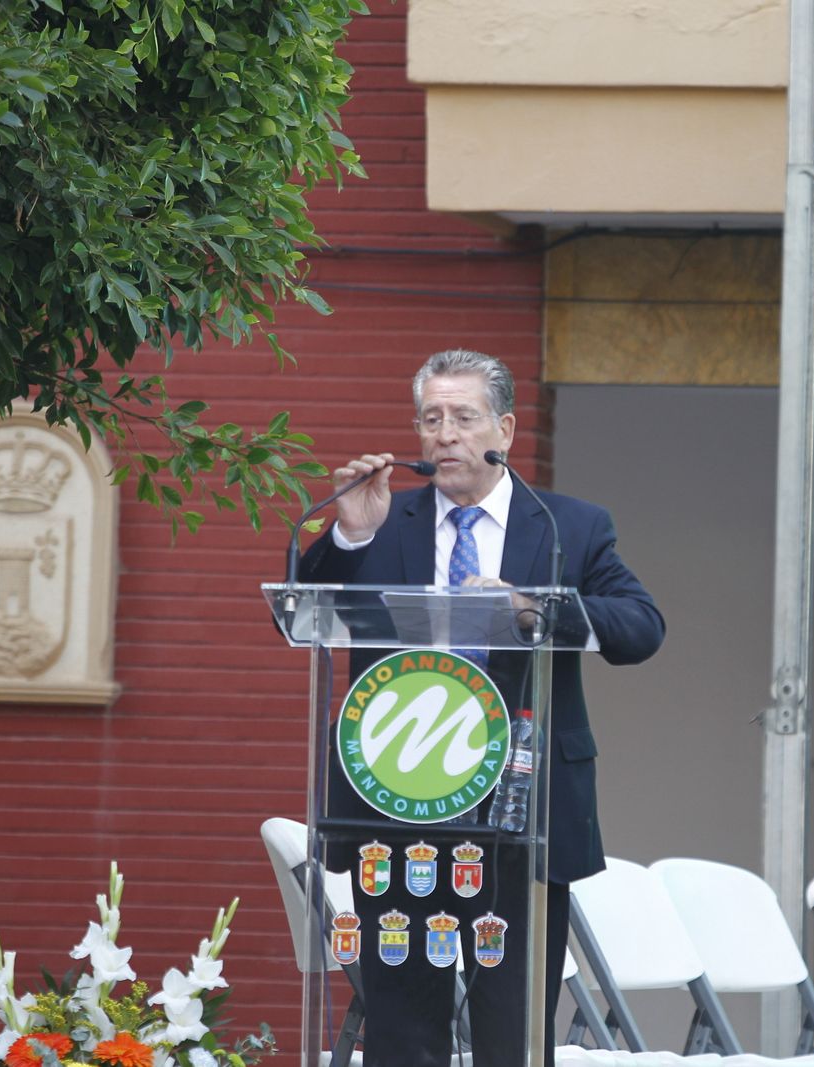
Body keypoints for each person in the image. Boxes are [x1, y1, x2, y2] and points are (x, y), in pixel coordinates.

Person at [298, 348, 665, 1066]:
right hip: (395, 800)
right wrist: (348, 533)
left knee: (512, 1027)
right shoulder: (381, 518)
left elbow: (641, 627)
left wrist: (534, 608)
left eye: (463, 417)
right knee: (401, 1024)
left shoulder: (567, 526)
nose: (444, 435)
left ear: (504, 428)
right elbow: (305, 605)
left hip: (519, 808)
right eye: (430, 418)